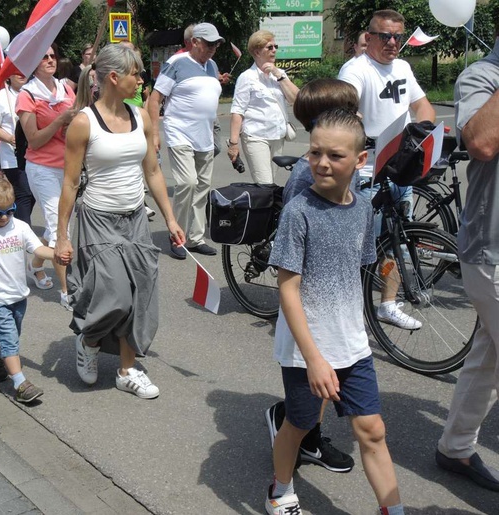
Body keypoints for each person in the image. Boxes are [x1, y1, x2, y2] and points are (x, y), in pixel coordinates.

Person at [265, 109, 403, 515]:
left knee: (372, 430)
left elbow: (355, 270)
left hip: (351, 341)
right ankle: (280, 491)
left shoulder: (362, 208)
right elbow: (288, 289)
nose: (322, 163)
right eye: (315, 153)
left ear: (360, 160)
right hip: (306, 348)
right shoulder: (299, 212)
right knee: (301, 423)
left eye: (336, 156)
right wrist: (314, 359)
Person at [56, 44, 185, 398]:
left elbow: (154, 171)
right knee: (114, 296)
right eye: (136, 74)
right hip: (98, 219)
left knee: (140, 292)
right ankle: (90, 340)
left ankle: (127, 370)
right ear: (114, 77)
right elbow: (69, 183)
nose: (141, 80)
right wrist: (62, 236)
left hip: (136, 219)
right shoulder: (83, 123)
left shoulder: (141, 116)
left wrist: (171, 219)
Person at [264, 78, 361, 477]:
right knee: (313, 387)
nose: (356, 117)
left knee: (321, 387)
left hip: (336, 305)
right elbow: (294, 267)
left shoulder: (338, 166)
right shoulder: (308, 182)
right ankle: (301, 437)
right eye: (349, 111)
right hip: (311, 307)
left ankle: (304, 429)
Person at [339, 9, 436, 330]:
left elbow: (423, 106)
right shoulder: (356, 69)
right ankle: (346, 307)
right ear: (369, 37)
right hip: (367, 170)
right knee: (362, 244)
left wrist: (421, 132)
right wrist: (359, 125)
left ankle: (388, 304)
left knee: (399, 238)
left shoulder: (403, 67)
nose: (393, 42)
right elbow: (346, 108)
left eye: (398, 37)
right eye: (385, 36)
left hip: (399, 166)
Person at [435, 22, 499, 492]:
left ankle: (454, 447)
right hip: (492, 249)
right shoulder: (481, 77)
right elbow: (480, 142)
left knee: (487, 356)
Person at [0, 177, 54, 400]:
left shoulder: (20, 227)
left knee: (9, 334)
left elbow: (38, 250)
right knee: (9, 338)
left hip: (19, 295)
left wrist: (56, 255)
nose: (4, 217)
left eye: (9, 211)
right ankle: (21, 384)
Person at [147, 22, 223, 260]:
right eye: (209, 44)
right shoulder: (176, 63)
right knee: (188, 183)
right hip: (180, 132)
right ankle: (177, 235)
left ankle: (195, 238)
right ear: (195, 42)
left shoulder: (212, 66)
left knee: (202, 187)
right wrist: (154, 133)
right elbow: (155, 98)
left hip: (205, 136)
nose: (213, 48)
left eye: (216, 44)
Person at [16, 45, 77, 310]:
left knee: (61, 228)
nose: (51, 60)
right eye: (44, 56)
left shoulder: (66, 88)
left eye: (53, 55)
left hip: (69, 167)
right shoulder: (27, 94)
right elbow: (34, 140)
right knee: (59, 229)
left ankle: (35, 263)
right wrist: (59, 120)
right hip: (41, 169)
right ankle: (67, 292)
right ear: (34, 62)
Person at [227, 30, 299, 185]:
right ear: (257, 51)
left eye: (275, 46)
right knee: (265, 183)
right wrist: (233, 144)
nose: (274, 50)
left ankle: (266, 209)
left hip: (278, 136)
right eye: (269, 47)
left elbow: (296, 99)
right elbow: (238, 111)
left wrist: (278, 75)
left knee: (271, 183)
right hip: (256, 136)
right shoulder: (247, 77)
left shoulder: (279, 74)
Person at [0, 74, 36, 226]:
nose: (22, 75)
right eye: (17, 72)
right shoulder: (0, 96)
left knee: (33, 194)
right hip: (12, 156)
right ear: (9, 75)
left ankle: (11, 222)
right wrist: (10, 138)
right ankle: (23, 232)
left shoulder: (34, 91)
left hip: (36, 154)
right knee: (25, 193)